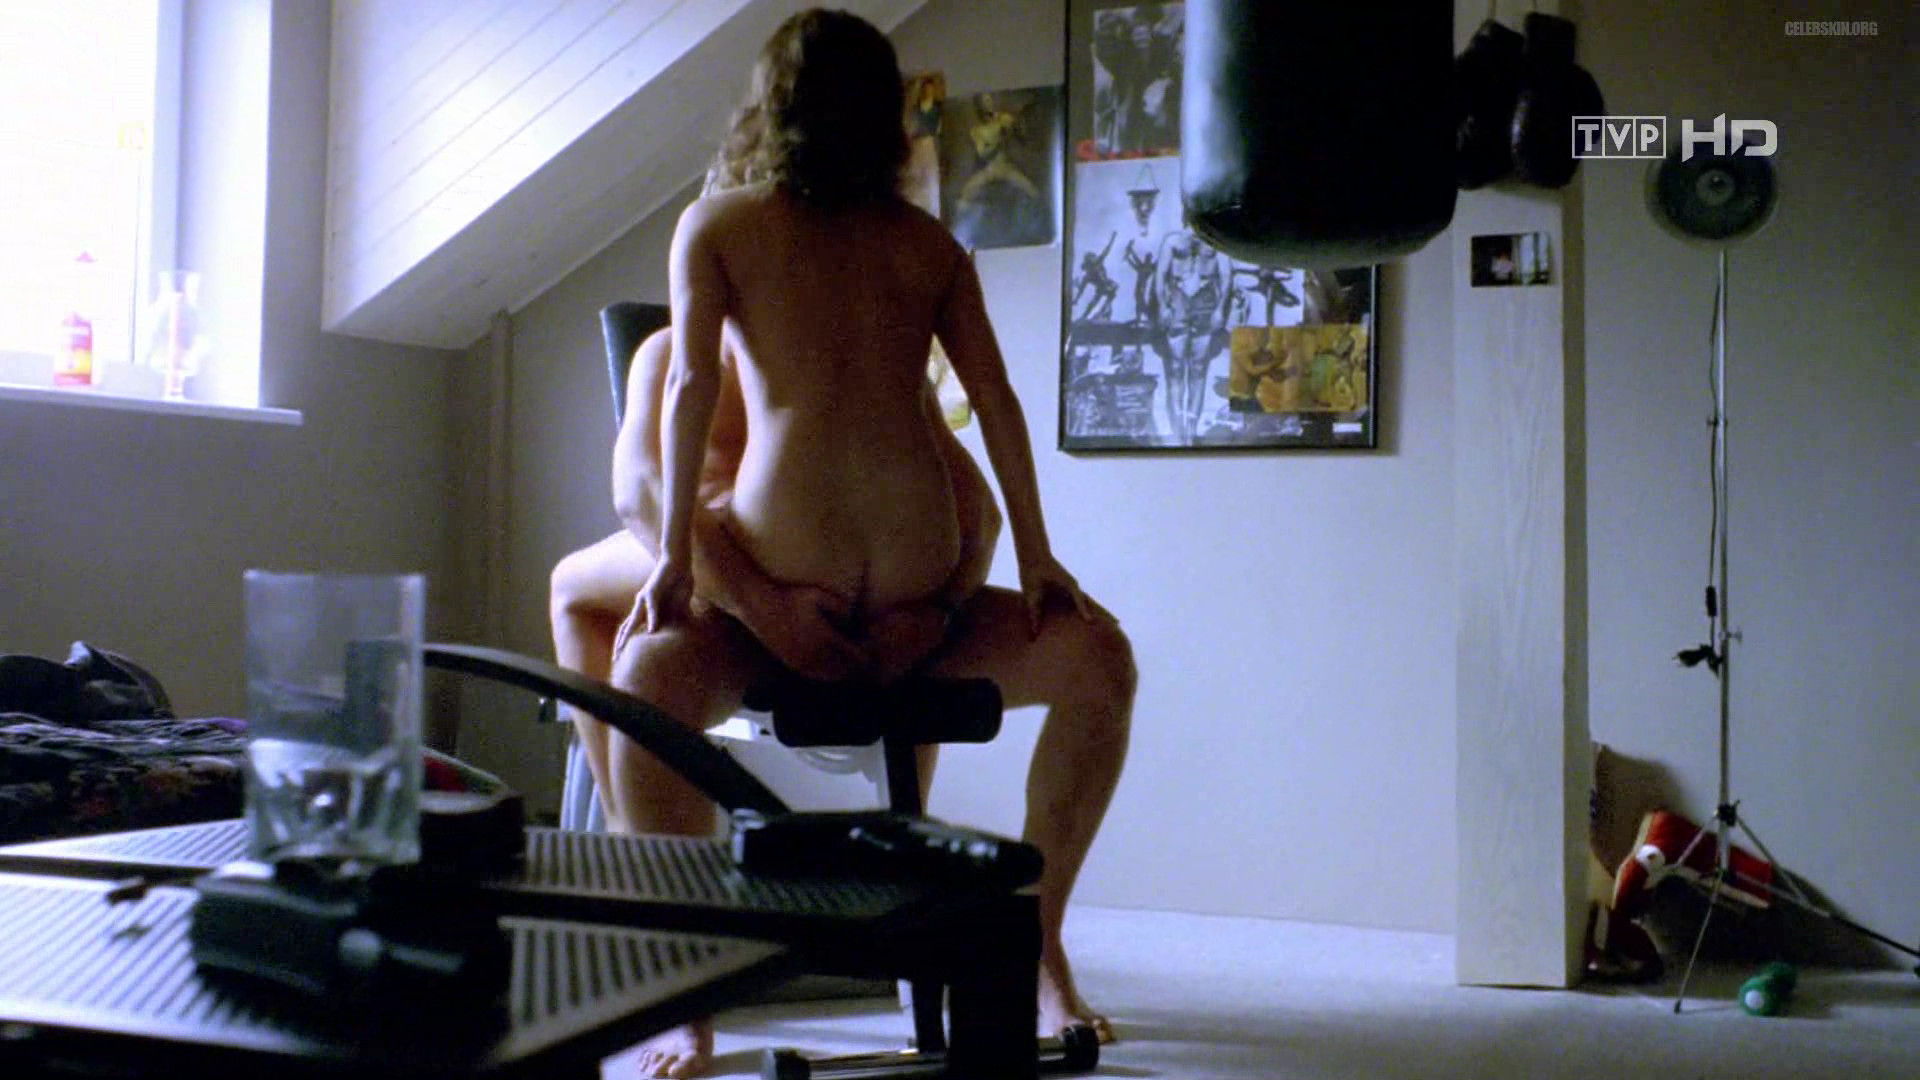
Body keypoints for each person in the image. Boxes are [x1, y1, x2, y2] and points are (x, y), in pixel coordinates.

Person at [555, 11, 1134, 1077]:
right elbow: (680, 400)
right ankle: (682, 989)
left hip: (917, 619)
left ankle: (1035, 945)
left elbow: (992, 413)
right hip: (756, 619)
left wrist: (1013, 572)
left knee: (1100, 659)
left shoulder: (926, 250)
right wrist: (691, 566)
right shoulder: (720, 237)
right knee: (644, 675)